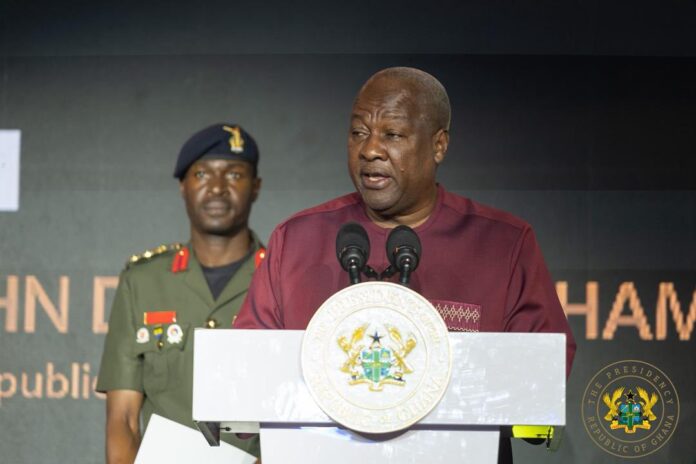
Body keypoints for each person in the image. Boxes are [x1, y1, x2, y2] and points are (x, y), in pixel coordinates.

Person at [234, 67, 576, 463]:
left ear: (438, 145)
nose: (370, 150)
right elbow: (245, 374)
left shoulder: (502, 243)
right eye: (358, 132)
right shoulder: (296, 240)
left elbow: (541, 376)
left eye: (392, 135)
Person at [97, 123, 264, 463]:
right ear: (182, 187)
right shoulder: (142, 281)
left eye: (234, 174)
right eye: (202, 174)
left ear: (256, 187)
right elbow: (123, 419)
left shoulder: (282, 280)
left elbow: (298, 423)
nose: (217, 188)